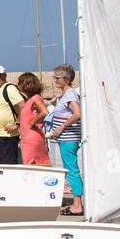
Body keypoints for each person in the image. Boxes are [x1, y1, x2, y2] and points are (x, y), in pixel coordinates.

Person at [48, 65, 83, 215]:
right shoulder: (66, 95)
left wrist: (62, 127)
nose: (55, 80)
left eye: (57, 78)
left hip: (69, 138)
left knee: (72, 171)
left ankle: (77, 205)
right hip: (65, 139)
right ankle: (77, 203)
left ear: (66, 79)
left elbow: (77, 113)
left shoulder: (70, 95)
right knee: (70, 169)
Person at [15, 72, 51, 166]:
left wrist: (33, 122)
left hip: (31, 137)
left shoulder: (35, 98)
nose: (18, 86)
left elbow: (45, 112)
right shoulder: (31, 100)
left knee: (33, 162)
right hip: (28, 136)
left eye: (20, 83)